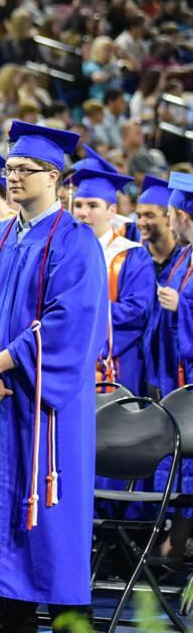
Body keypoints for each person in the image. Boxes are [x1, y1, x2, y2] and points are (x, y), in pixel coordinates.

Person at [0, 121, 107, 630]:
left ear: (54, 177)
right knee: (0, 518)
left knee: (51, 524)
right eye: (9, 168)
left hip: (45, 408)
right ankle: (10, 615)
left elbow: (70, 320)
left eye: (26, 169)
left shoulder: (76, 242)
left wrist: (0, 363)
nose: (13, 176)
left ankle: (70, 618)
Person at [69, 167, 156, 395]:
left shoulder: (132, 254)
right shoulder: (64, 252)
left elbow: (137, 310)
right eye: (78, 205)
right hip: (70, 360)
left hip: (118, 361)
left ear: (112, 211)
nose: (83, 213)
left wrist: (82, 313)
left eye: (93, 205)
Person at [154, 173, 193, 560]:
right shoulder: (183, 254)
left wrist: (182, 307)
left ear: (183, 215)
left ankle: (179, 542)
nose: (167, 222)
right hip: (178, 376)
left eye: (170, 213)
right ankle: (175, 537)